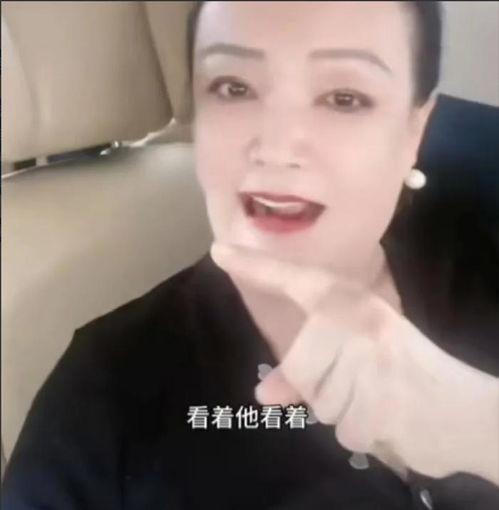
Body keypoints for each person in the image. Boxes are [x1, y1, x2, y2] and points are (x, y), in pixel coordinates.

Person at [2, 1, 499, 509]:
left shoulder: (484, 262)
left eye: (344, 98)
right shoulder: (104, 392)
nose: (277, 147)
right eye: (233, 88)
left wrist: (481, 428)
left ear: (414, 131)